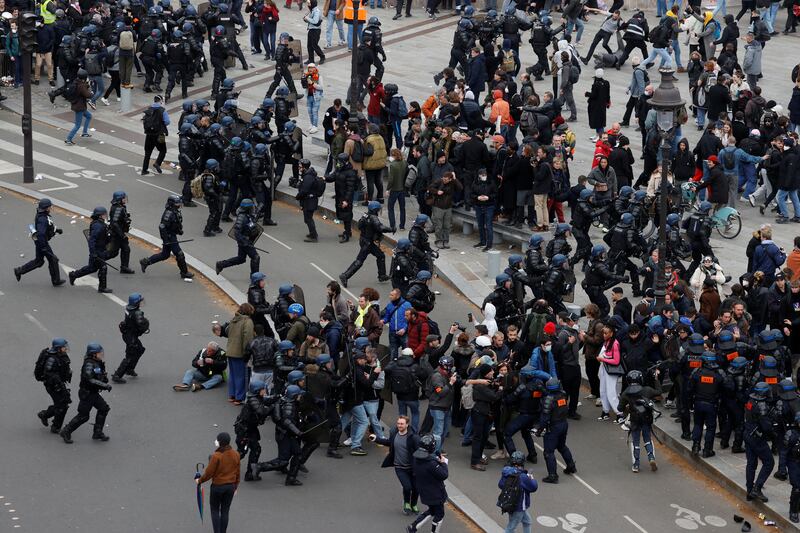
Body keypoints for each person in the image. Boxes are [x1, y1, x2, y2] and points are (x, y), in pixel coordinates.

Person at [60, 343, 112, 444]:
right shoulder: (89, 364)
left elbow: (99, 375)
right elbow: (89, 379)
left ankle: (97, 432)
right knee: (83, 416)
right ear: (93, 354)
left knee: (103, 409)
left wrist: (103, 377)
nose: (101, 355)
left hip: (93, 393)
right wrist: (104, 385)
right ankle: (66, 431)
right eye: (99, 353)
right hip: (87, 394)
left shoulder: (97, 362)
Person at [371, 415, 421, 515]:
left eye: (402, 424)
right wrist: (376, 439)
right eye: (398, 423)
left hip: (413, 468)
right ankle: (407, 503)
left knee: (416, 488)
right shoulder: (394, 433)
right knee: (407, 487)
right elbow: (389, 442)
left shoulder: (413, 437)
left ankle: (414, 504)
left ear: (407, 424)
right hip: (400, 467)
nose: (399, 425)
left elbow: (421, 450)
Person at [139, 195, 195, 280]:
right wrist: (166, 240)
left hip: (171, 235)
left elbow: (175, 224)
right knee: (179, 254)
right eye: (177, 203)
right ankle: (184, 272)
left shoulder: (174, 211)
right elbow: (162, 226)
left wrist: (179, 231)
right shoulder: (169, 213)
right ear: (172, 204)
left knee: (165, 255)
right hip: (169, 237)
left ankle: (146, 261)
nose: (179, 204)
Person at [14, 198, 65, 286]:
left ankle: (19, 270)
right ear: (46, 208)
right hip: (42, 242)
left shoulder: (43, 215)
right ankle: (56, 281)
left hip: (40, 242)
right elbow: (41, 233)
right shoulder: (43, 219)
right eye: (50, 206)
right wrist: (44, 247)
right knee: (53, 259)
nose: (51, 207)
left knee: (39, 261)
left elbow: (48, 227)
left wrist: (56, 230)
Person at [534, 378, 577, 483]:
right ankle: (571, 466)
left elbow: (544, 418)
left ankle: (553, 476)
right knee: (562, 446)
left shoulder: (548, 400)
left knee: (548, 452)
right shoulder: (563, 395)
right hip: (563, 424)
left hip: (553, 427)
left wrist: (539, 430)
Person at [339, 201, 391, 287]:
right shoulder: (373, 217)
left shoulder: (365, 215)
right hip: (368, 244)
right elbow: (381, 227)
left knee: (380, 255)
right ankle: (345, 275)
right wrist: (391, 229)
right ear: (375, 210)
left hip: (364, 240)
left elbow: (359, 226)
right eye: (378, 210)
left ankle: (382, 275)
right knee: (359, 261)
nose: (378, 211)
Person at [196, 432, 241, 533]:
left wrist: (200, 480)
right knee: (225, 511)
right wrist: (235, 486)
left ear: (220, 442)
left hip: (217, 487)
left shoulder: (216, 456)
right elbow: (237, 472)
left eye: (217, 440)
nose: (215, 441)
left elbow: (209, 473)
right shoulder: (236, 454)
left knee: (215, 510)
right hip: (230, 487)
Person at [618, 370, 661, 473]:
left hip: (634, 419)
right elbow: (659, 391)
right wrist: (656, 379)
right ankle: (651, 457)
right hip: (646, 418)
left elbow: (619, 408)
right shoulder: (647, 390)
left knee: (635, 441)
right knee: (647, 438)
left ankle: (636, 464)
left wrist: (626, 407)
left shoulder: (626, 392)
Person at [407, 434, 449, 533]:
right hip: (436, 493)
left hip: (424, 491)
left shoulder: (416, 459)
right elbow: (444, 475)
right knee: (439, 515)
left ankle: (413, 527)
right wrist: (443, 463)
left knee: (432, 510)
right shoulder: (431, 463)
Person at [744, 382, 776, 502]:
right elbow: (766, 426)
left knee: (751, 464)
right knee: (769, 462)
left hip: (748, 434)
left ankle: (749, 490)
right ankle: (757, 488)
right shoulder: (762, 405)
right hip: (757, 438)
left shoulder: (751, 401)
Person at [68, 206, 112, 293]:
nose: (105, 216)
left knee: (92, 268)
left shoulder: (100, 224)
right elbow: (92, 240)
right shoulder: (98, 226)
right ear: (100, 216)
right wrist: (93, 253)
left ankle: (73, 275)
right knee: (103, 267)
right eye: (104, 215)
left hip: (101, 249)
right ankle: (102, 287)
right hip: (98, 250)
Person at [36, 338, 72, 435]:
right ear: (58, 348)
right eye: (64, 347)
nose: (66, 349)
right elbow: (49, 374)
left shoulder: (61, 355)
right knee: (62, 405)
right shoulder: (51, 359)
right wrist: (60, 385)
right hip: (52, 386)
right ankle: (55, 426)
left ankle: (45, 415)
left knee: (62, 404)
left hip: (59, 384)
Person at [216, 199, 262, 274]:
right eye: (251, 207)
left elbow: (252, 221)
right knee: (255, 257)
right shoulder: (241, 218)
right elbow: (237, 232)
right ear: (248, 209)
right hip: (244, 241)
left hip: (246, 241)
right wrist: (245, 242)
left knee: (241, 259)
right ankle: (255, 277)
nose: (253, 209)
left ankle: (221, 264)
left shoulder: (247, 215)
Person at [112, 293, 150, 383]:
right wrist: (146, 323)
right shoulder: (137, 313)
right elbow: (142, 325)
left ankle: (130, 369)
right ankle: (117, 375)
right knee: (130, 355)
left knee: (140, 349)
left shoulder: (128, 308)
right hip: (131, 337)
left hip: (128, 334)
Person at [498, 451, 539, 533]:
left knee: (527, 522)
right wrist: (531, 478)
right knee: (511, 527)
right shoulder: (523, 476)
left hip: (509, 503)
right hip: (519, 507)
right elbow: (533, 487)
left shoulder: (506, 472)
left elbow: (501, 485)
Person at [141, 95, 170, 175]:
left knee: (147, 152)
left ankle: (144, 170)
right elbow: (167, 121)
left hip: (149, 134)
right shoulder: (162, 110)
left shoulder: (149, 109)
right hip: (160, 134)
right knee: (163, 150)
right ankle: (157, 163)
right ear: (160, 101)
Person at [108, 191, 135, 274]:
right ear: (119, 199)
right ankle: (96, 261)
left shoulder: (121, 207)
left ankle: (124, 267)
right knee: (112, 253)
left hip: (120, 233)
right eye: (123, 198)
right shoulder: (118, 209)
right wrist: (122, 235)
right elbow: (115, 223)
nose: (125, 199)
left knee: (126, 249)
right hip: (117, 235)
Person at [64, 69, 93, 146]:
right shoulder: (81, 86)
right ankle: (68, 139)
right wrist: (91, 92)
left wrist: (86, 85)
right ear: (84, 77)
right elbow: (87, 95)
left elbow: (82, 88)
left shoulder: (76, 82)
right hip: (79, 107)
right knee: (77, 125)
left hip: (77, 105)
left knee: (89, 116)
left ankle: (85, 132)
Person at [296, 159, 322, 242]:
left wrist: (298, 196)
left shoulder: (308, 177)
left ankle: (314, 236)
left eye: (300, 167)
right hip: (308, 200)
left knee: (308, 219)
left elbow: (305, 190)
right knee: (307, 218)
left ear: (304, 167)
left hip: (310, 201)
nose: (299, 168)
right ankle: (312, 233)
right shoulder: (306, 175)